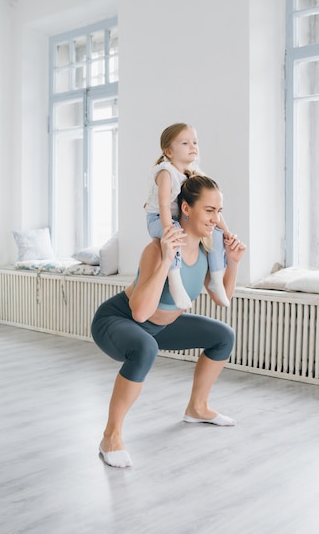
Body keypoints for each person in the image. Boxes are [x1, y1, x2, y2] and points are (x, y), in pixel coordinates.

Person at [91, 175, 246, 468]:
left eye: (219, 211)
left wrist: (234, 262)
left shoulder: (207, 250)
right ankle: (111, 435)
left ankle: (197, 408)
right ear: (186, 209)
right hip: (118, 320)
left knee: (224, 336)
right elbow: (139, 313)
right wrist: (165, 260)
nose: (216, 219)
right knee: (145, 347)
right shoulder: (155, 249)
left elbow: (220, 296)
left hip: (160, 327)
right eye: (209, 210)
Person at [144, 122, 232, 310]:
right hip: (158, 219)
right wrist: (169, 229)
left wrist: (226, 232)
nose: (192, 146)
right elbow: (164, 205)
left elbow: (214, 206)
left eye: (195, 142)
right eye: (185, 143)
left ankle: (216, 280)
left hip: (173, 220)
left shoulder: (191, 174)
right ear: (168, 151)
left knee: (215, 235)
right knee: (175, 232)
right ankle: (175, 282)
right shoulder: (166, 172)